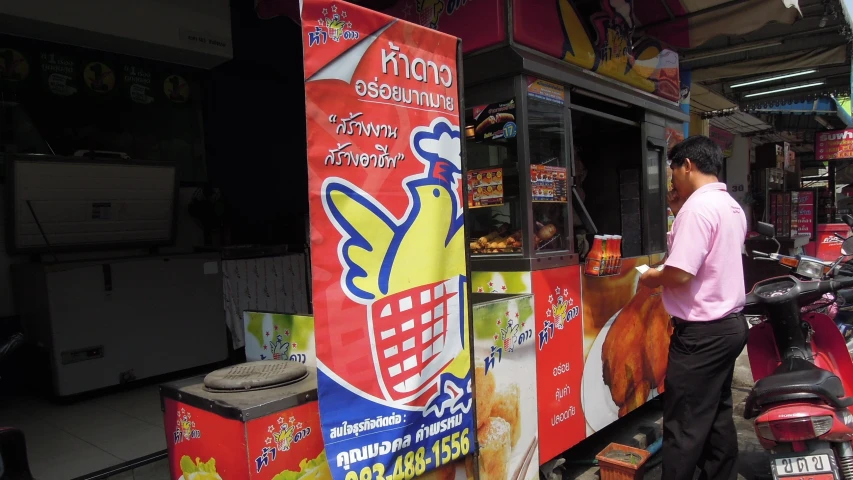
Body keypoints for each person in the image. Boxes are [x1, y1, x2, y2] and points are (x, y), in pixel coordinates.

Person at [639, 135, 748, 480]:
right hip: (728, 327)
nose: (672, 180)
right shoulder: (730, 206)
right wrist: (676, 211)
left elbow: (680, 273)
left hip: (702, 334)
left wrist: (652, 278)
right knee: (715, 414)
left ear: (687, 165)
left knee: (684, 422)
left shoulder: (698, 209)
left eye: (673, 171)